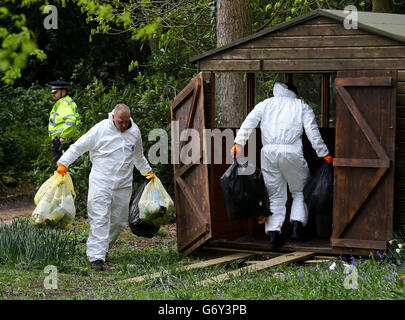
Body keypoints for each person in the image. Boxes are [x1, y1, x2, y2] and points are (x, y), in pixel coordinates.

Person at [231, 82, 333, 251]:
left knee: (274, 194)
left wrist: (238, 144)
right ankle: (297, 227)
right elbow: (312, 132)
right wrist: (324, 153)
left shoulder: (265, 104)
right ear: (294, 92)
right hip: (292, 152)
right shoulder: (301, 106)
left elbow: (248, 123)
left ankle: (273, 235)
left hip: (268, 153)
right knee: (300, 190)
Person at [56, 103, 155, 271]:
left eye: (126, 121)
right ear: (114, 117)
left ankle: (103, 248)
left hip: (123, 183)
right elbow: (79, 146)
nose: (124, 125)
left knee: (118, 220)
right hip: (101, 181)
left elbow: (138, 155)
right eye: (121, 121)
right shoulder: (101, 129)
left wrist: (148, 172)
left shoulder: (134, 131)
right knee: (100, 217)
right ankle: (96, 257)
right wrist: (63, 163)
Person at [48, 81, 80, 163]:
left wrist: (64, 136)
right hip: (64, 140)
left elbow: (71, 120)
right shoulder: (63, 102)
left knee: (60, 168)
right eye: (52, 92)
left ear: (64, 92)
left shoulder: (64, 103)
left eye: (55, 92)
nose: (53, 94)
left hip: (62, 141)